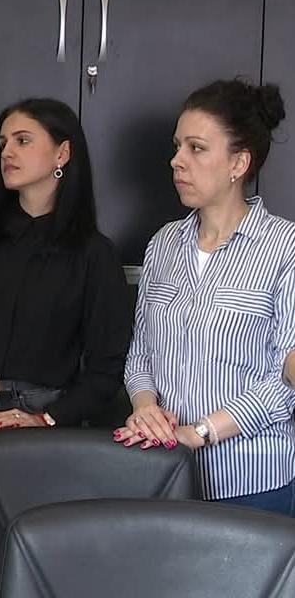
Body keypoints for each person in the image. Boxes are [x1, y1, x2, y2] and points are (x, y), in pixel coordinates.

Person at [0, 98, 132, 513]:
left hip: (43, 425)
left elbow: (108, 366)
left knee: (32, 549)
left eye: (22, 140)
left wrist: (47, 419)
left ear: (62, 154)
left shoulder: (93, 254)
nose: (7, 153)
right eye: (3, 143)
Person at [117, 79, 295, 516]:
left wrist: (201, 431)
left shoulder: (284, 247)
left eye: (196, 148)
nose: (176, 161)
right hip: (163, 473)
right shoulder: (163, 244)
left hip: (252, 479)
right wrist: (146, 409)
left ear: (238, 163)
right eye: (177, 146)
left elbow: (286, 380)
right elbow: (141, 354)